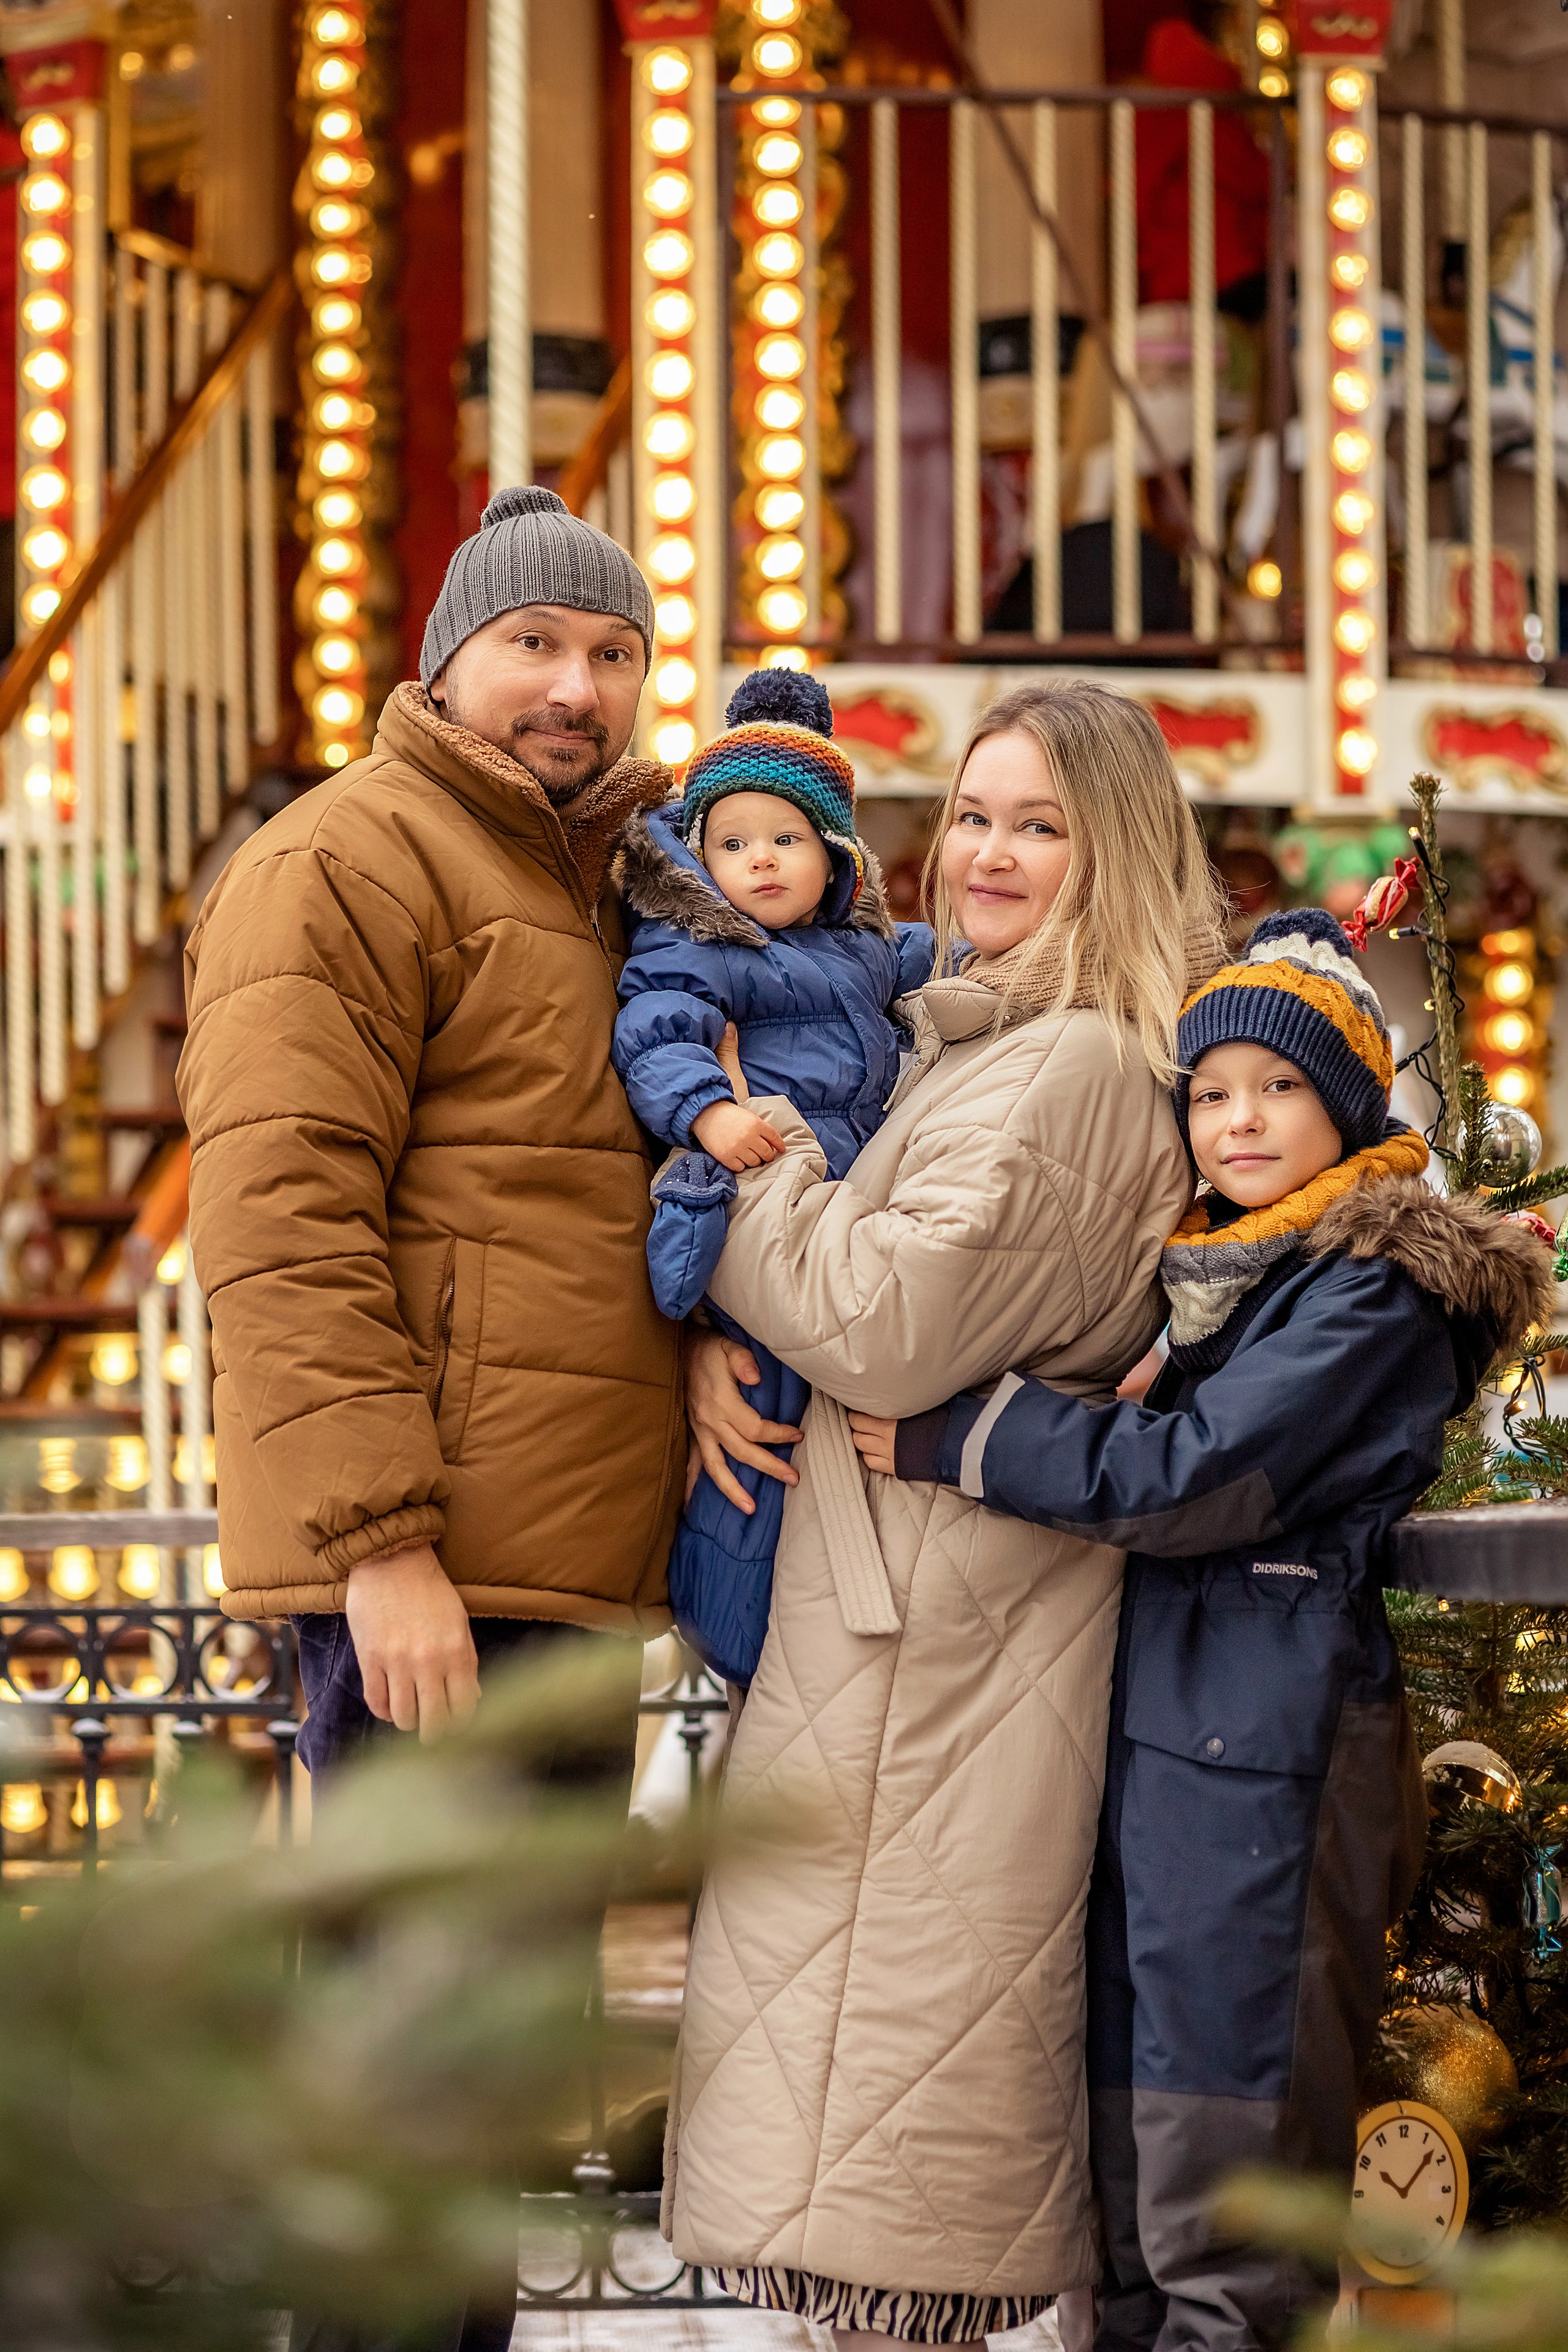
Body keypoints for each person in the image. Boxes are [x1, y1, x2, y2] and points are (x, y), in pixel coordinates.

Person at [848, 908, 1557, 2352]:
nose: (1237, 1121)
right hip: (1169, 1737)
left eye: (1278, 1089)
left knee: (1222, 2173)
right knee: (1125, 2184)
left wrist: (967, 1434)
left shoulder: (1372, 1285)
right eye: (1209, 1090)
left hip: (1266, 1745)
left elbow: (1199, 1476)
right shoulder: (1222, 1279)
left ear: (1347, 1105)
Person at [179, 483, 688, 2351]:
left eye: (613, 652)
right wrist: (379, 1549)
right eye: (536, 645)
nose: (577, 686)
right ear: (447, 662)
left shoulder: (607, 880)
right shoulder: (349, 861)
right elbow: (281, 1214)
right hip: (433, 1577)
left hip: (556, 1572)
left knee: (484, 2088)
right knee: (410, 2086)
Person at [663, 679, 1228, 2348]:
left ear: (1111, 855)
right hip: (897, 1644)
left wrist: (744, 1182)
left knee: (898, 2209)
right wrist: (729, 1327)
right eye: (973, 814)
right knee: (874, 2197)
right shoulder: (980, 1041)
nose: (986, 853)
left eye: (1039, 825)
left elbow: (887, 1326)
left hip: (940, 1670)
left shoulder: (1072, 1071)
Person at [611, 665, 932, 1684]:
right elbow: (657, 1029)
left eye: (786, 840)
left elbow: (936, 959)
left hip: (848, 1202)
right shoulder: (700, 944)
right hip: (759, 1178)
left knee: (826, 1418)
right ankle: (732, 1638)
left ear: (833, 856)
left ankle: (804, 1632)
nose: (759, 863)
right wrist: (707, 1109)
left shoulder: (861, 950)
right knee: (765, 1410)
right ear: (700, 857)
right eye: (733, 843)